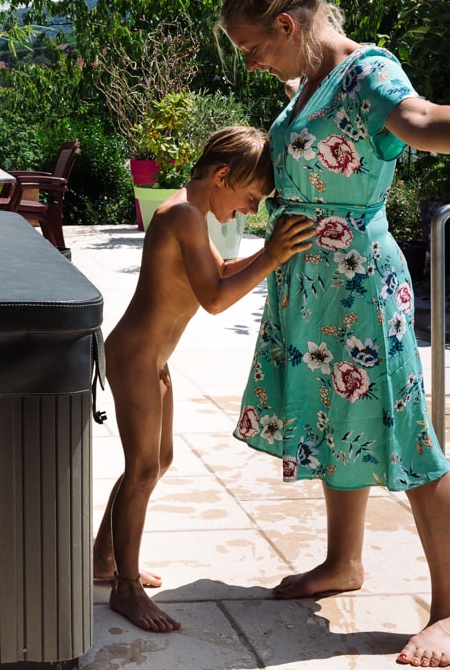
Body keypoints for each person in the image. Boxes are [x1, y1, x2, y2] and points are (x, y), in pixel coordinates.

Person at [217, 0, 450, 667]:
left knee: (409, 437)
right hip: (310, 285)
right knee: (337, 419)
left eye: (251, 48)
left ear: (285, 23)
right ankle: (343, 563)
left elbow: (422, 119)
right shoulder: (305, 83)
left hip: (362, 285)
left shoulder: (368, 71)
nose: (249, 64)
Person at [92, 126, 314, 632]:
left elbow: (220, 271)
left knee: (155, 462)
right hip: (135, 358)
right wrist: (274, 253)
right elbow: (215, 299)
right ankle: (124, 589)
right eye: (252, 197)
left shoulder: (188, 215)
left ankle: (105, 559)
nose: (252, 210)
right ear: (221, 176)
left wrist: (274, 255)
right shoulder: (182, 216)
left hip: (152, 359)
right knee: (143, 468)